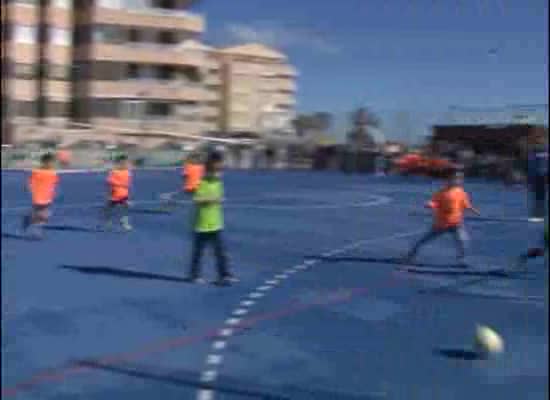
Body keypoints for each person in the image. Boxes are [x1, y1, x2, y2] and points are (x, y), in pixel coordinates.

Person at [402, 169, 481, 266]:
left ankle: (462, 260)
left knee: (463, 241)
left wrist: (473, 209)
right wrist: (430, 204)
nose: (459, 180)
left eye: (460, 178)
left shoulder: (461, 191)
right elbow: (434, 201)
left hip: (456, 224)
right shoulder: (442, 193)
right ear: (449, 179)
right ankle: (409, 256)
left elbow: (465, 203)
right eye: (456, 178)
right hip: (441, 224)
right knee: (423, 240)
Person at [185, 151, 237, 286]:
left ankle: (224, 275)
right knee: (198, 252)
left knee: (220, 252)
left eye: (220, 169)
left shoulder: (218, 182)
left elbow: (219, 197)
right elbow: (197, 199)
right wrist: (212, 199)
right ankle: (194, 275)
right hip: (202, 224)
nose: (219, 171)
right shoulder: (202, 182)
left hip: (215, 223)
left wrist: (218, 199)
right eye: (217, 168)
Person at [22, 152, 59, 238]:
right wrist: (33, 191)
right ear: (44, 162)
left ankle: (29, 220)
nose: (52, 164)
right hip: (39, 197)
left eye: (53, 162)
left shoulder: (53, 173)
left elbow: (54, 183)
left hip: (48, 197)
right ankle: (36, 231)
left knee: (42, 215)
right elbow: (30, 183)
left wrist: (52, 192)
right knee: (43, 215)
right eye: (50, 162)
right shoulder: (37, 172)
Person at [102, 154, 132, 231]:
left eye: (125, 162)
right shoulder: (123, 172)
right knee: (121, 208)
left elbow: (109, 181)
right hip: (118, 193)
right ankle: (121, 222)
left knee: (111, 208)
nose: (125, 163)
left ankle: (111, 222)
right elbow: (110, 181)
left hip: (119, 194)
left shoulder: (123, 172)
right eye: (124, 162)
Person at [527, 134, 548, 222]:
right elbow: (532, 166)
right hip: (538, 176)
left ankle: (540, 213)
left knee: (541, 196)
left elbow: (532, 165)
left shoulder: (541, 151)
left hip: (542, 175)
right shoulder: (535, 152)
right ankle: (538, 213)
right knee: (539, 196)